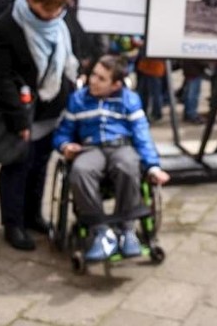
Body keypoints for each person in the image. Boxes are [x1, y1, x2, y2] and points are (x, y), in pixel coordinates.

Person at [0, 0, 81, 251]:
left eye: (58, 8)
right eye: (47, 8)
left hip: (53, 107)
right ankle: (13, 223)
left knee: (39, 164)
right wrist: (17, 119)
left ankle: (33, 215)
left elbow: (73, 57)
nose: (53, 14)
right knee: (16, 165)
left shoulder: (62, 23)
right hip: (23, 110)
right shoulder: (4, 26)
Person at [52, 55, 170, 262]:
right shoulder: (78, 100)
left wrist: (153, 167)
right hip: (90, 148)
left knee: (127, 165)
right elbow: (63, 132)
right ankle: (101, 231)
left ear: (116, 85)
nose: (93, 81)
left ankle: (126, 230)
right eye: (93, 75)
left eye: (101, 78)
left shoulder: (129, 100)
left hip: (121, 146)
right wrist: (64, 146)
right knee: (80, 171)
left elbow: (142, 135)